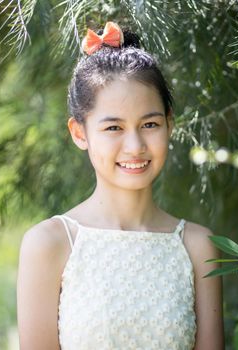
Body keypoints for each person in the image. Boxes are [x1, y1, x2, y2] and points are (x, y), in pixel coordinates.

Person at [17, 21, 224, 350]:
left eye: (150, 124)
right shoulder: (50, 244)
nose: (135, 145)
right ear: (80, 133)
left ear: (170, 124)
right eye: (113, 128)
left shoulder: (197, 247)